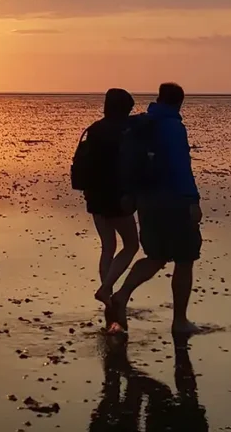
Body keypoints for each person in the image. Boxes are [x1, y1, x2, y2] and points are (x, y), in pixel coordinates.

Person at [108, 82, 203, 335]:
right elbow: (182, 168)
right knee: (184, 260)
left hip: (146, 201)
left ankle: (121, 294)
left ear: (158, 99)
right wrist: (193, 201)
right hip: (174, 200)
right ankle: (179, 321)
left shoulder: (142, 124)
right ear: (179, 103)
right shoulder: (173, 128)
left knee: (156, 256)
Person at [82, 88, 139, 307]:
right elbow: (129, 165)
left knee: (108, 246)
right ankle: (106, 289)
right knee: (132, 245)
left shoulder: (95, 129)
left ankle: (107, 296)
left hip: (94, 196)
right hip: (116, 198)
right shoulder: (126, 131)